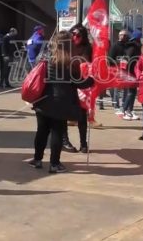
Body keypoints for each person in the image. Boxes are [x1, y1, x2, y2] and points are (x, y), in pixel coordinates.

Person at [28, 31, 94, 173]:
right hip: (61, 103)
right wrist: (93, 78)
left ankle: (37, 160)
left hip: (43, 101)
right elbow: (81, 83)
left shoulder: (45, 58)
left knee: (42, 131)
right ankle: (54, 164)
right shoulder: (70, 63)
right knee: (57, 132)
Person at [61, 24, 93, 153]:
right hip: (66, 84)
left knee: (81, 115)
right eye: (73, 34)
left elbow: (91, 64)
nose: (75, 37)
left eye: (78, 35)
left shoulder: (88, 48)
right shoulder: (66, 47)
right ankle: (65, 140)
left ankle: (83, 144)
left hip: (81, 85)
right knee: (62, 114)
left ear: (83, 36)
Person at [108, 30, 131, 113]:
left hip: (125, 70)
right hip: (116, 70)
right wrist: (119, 62)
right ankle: (116, 104)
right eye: (122, 35)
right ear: (119, 36)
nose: (124, 37)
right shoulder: (115, 46)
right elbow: (109, 59)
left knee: (125, 88)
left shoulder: (127, 46)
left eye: (125, 35)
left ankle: (124, 104)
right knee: (116, 88)